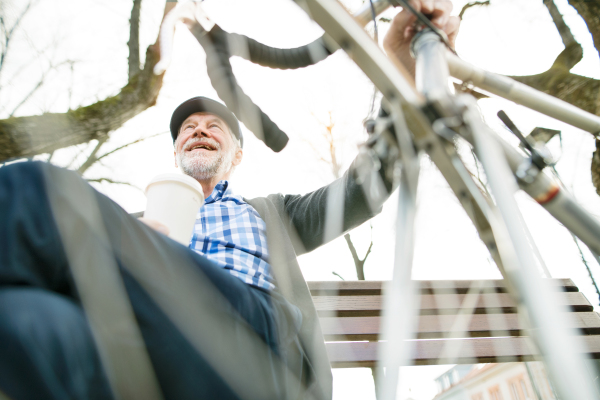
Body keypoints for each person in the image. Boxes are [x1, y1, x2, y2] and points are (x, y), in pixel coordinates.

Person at [0, 2, 459, 399]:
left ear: (237, 156)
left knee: (37, 194)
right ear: (176, 152)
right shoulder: (137, 226)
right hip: (147, 353)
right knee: (22, 320)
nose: (198, 129)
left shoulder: (273, 215)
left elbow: (367, 187)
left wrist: (400, 71)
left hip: (256, 355)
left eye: (213, 125)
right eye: (187, 129)